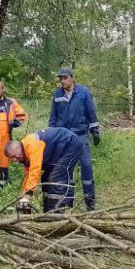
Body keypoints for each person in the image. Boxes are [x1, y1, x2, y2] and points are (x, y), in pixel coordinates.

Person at [4, 127, 89, 213]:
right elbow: (28, 175)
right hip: (59, 150)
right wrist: (24, 196)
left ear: (18, 147)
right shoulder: (24, 153)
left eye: (14, 156)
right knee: (46, 178)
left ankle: (58, 212)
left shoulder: (32, 146)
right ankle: (48, 211)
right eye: (12, 158)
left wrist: (27, 196)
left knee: (56, 178)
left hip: (70, 144)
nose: (15, 159)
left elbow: (35, 171)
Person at [49, 67, 99, 210]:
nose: (62, 81)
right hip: (64, 139)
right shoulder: (57, 94)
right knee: (66, 171)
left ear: (72, 78)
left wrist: (95, 131)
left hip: (80, 137)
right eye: (61, 78)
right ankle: (68, 203)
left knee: (87, 169)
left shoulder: (84, 92)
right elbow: (53, 118)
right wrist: (52, 136)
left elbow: (91, 113)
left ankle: (90, 204)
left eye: (65, 78)